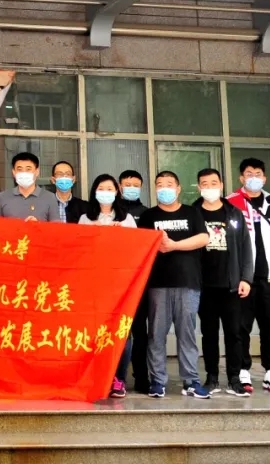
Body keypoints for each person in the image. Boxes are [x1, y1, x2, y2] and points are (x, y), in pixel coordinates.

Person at [137, 170, 210, 399]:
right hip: (157, 284)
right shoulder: (148, 216)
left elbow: (203, 238)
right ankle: (158, 381)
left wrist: (174, 245)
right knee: (156, 334)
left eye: (169, 184)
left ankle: (191, 380)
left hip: (188, 282)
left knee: (186, 333)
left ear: (178, 189)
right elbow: (142, 246)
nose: (164, 188)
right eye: (160, 184)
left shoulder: (192, 212)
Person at [226, 158, 270, 393]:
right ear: (241, 177)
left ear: (265, 178)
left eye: (258, 173)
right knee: (241, 326)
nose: (253, 177)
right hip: (243, 277)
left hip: (269, 274)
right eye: (249, 173)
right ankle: (243, 370)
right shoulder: (231, 202)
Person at [194, 168, 253, 397]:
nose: (209, 187)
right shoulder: (193, 213)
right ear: (199, 187)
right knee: (208, 334)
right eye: (204, 183)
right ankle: (212, 377)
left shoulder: (234, 213)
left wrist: (246, 278)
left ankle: (234, 378)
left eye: (213, 183)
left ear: (221, 185)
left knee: (234, 333)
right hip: (203, 285)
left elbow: (246, 248)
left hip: (231, 285)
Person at [77, 174, 136, 398]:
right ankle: (95, 377)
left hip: (120, 286)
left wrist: (121, 235)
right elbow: (79, 249)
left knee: (122, 333)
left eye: (109, 188)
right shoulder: (85, 218)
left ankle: (118, 378)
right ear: (94, 191)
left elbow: (136, 249)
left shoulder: (126, 219)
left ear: (117, 192)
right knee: (94, 332)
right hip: (92, 285)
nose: (105, 192)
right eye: (101, 188)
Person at [119, 168, 149, 393]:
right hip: (116, 282)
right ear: (119, 187)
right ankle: (115, 375)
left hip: (140, 282)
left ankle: (141, 376)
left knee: (139, 331)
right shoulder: (115, 213)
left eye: (135, 185)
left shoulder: (147, 214)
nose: (131, 188)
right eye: (127, 184)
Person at [0, 152, 58, 221]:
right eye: (19, 169)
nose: (24, 173)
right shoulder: (3, 197)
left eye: (28, 169)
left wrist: (38, 225)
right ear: (13, 172)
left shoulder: (49, 197)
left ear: (37, 172)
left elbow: (56, 226)